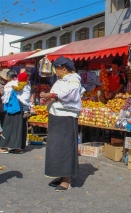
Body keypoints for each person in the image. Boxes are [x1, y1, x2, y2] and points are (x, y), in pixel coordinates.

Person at [40, 56, 81, 191]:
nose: (55, 71)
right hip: (56, 116)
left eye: (56, 68)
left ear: (63, 68)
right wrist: (45, 97)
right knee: (55, 147)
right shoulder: (60, 81)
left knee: (66, 147)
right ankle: (60, 174)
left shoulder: (74, 80)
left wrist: (51, 96)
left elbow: (70, 96)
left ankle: (67, 179)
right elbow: (55, 94)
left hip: (66, 117)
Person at [0, 69, 27, 154]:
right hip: (18, 106)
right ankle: (17, 147)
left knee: (7, 126)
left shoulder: (9, 85)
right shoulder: (18, 83)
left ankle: (4, 146)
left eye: (7, 76)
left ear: (9, 77)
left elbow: (5, 98)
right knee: (17, 127)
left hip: (11, 107)